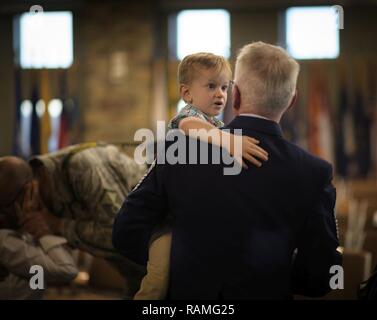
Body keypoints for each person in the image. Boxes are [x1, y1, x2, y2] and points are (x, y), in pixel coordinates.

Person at [113, 41, 342, 300]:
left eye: (223, 87)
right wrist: (269, 273)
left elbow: (125, 231)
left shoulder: (179, 151)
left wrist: (180, 263)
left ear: (235, 95)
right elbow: (325, 274)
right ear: (292, 101)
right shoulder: (315, 172)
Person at [132, 52, 268, 300]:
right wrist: (230, 142)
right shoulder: (189, 117)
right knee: (158, 280)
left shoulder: (217, 125)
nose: (220, 94)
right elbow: (192, 128)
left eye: (225, 87)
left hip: (194, 219)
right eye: (211, 86)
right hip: (166, 221)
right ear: (187, 94)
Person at [0, 142, 147, 299]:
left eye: (3, 210)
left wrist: (56, 225)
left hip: (166, 260)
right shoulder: (41, 195)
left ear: (28, 191)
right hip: (138, 279)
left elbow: (123, 238)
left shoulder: (83, 167)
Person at [0, 183, 78, 299]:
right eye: (31, 196)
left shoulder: (25, 234)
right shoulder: (5, 241)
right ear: (17, 204)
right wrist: (43, 232)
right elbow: (67, 269)